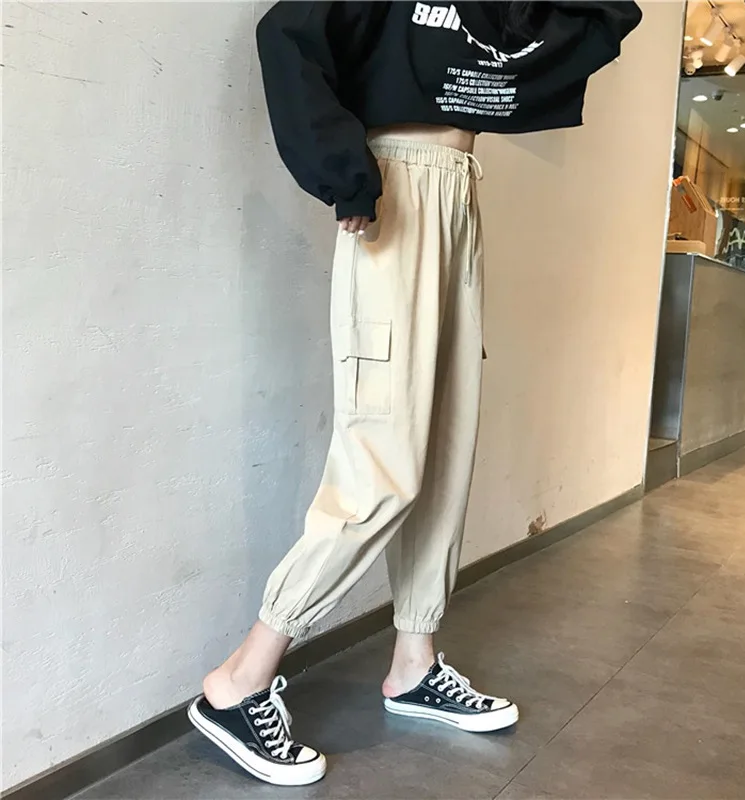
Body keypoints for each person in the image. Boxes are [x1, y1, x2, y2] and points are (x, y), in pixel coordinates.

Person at [187, 0, 642, 787]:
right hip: (397, 190)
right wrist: (347, 174)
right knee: (385, 458)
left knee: (446, 448)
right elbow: (287, 33)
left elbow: (585, 24)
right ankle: (240, 678)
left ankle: (413, 661)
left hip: (459, 189)